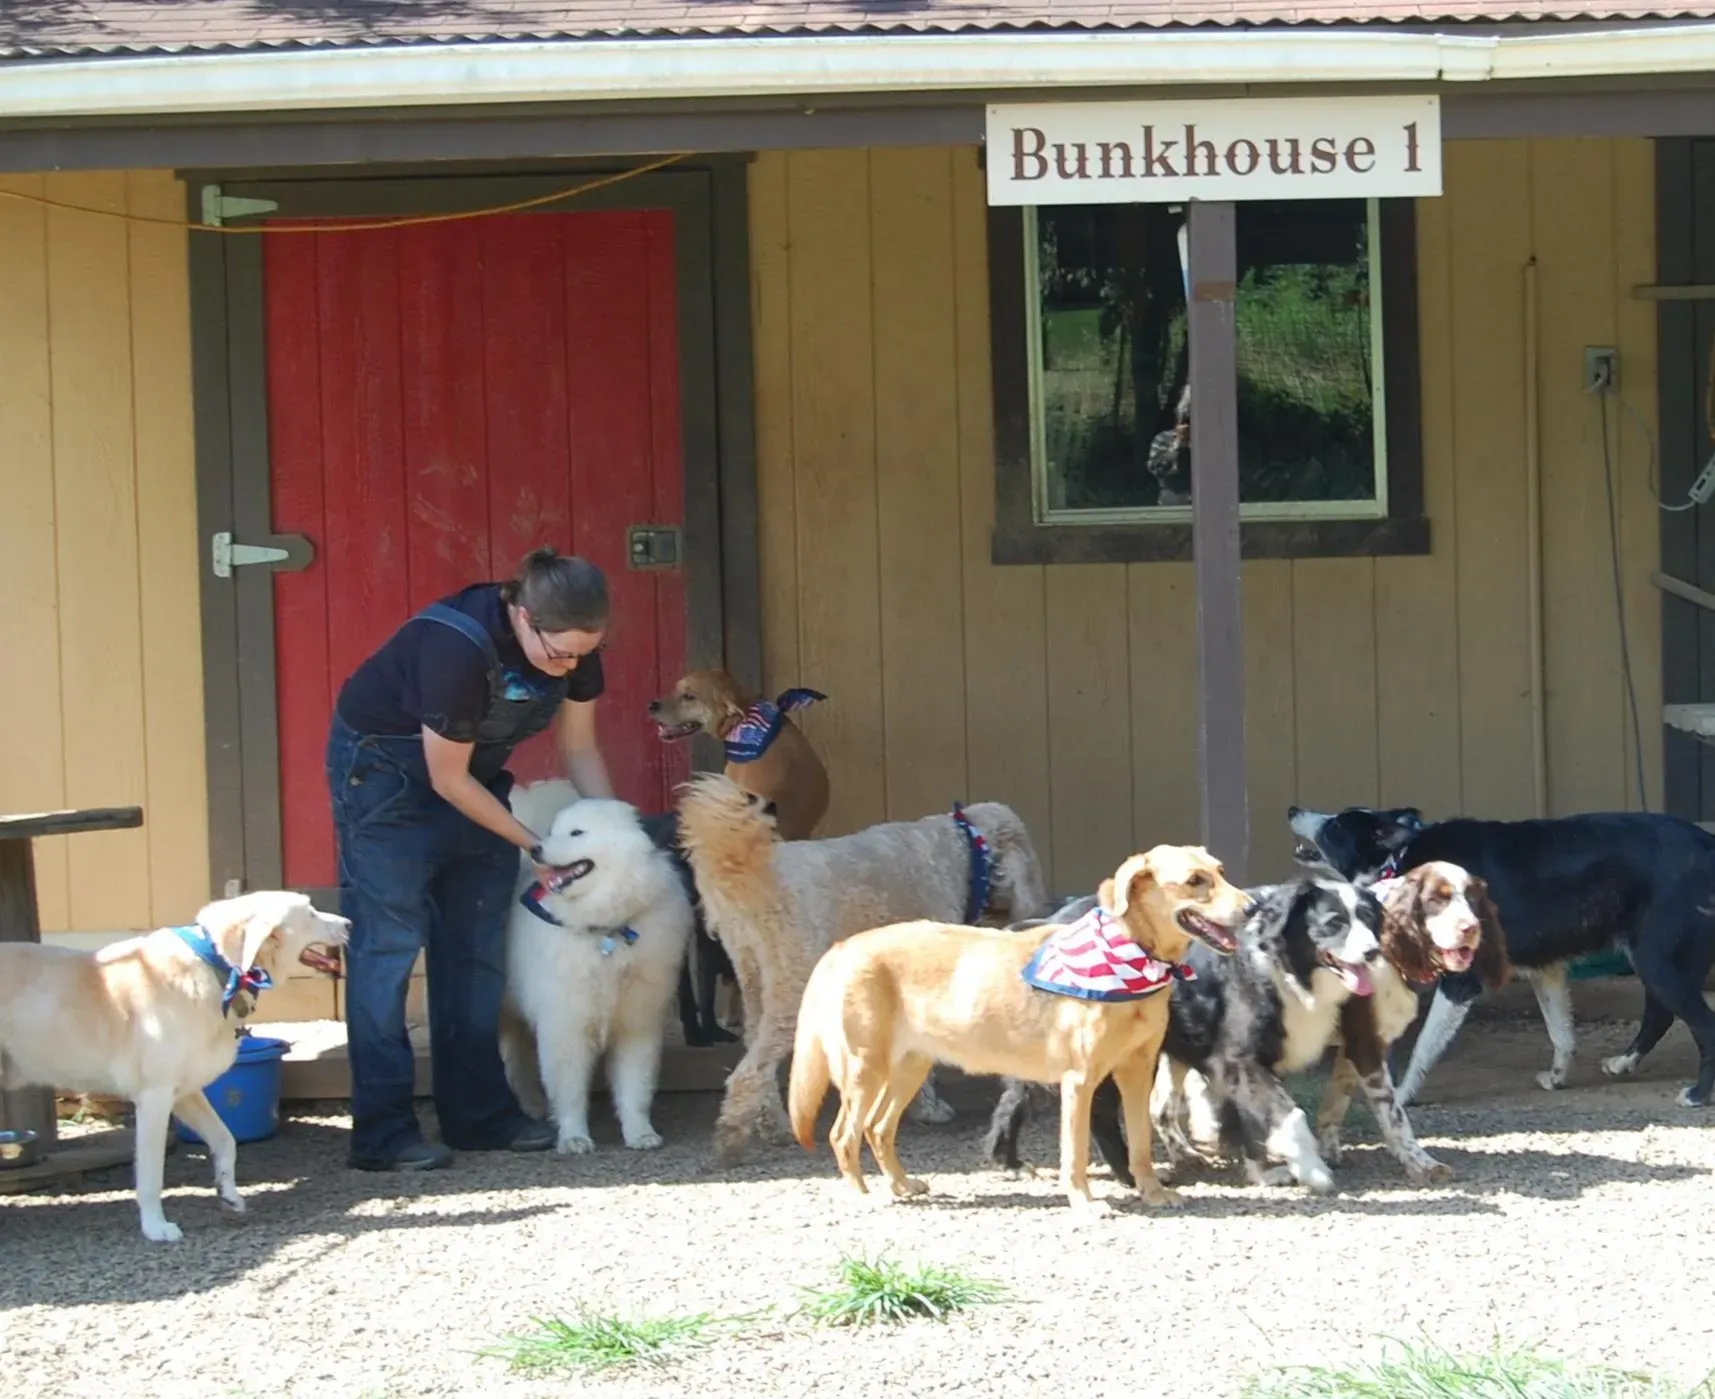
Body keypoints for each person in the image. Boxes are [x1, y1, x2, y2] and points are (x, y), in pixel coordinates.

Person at [325, 546, 615, 1171]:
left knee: (477, 947)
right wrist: (533, 844)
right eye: (558, 652)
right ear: (522, 615)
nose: (569, 665)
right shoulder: (455, 646)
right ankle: (383, 1132)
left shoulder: (573, 651)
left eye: (582, 654)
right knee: (389, 946)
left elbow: (581, 745)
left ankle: (478, 1116)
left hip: (472, 778)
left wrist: (614, 831)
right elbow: (446, 779)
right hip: (386, 777)